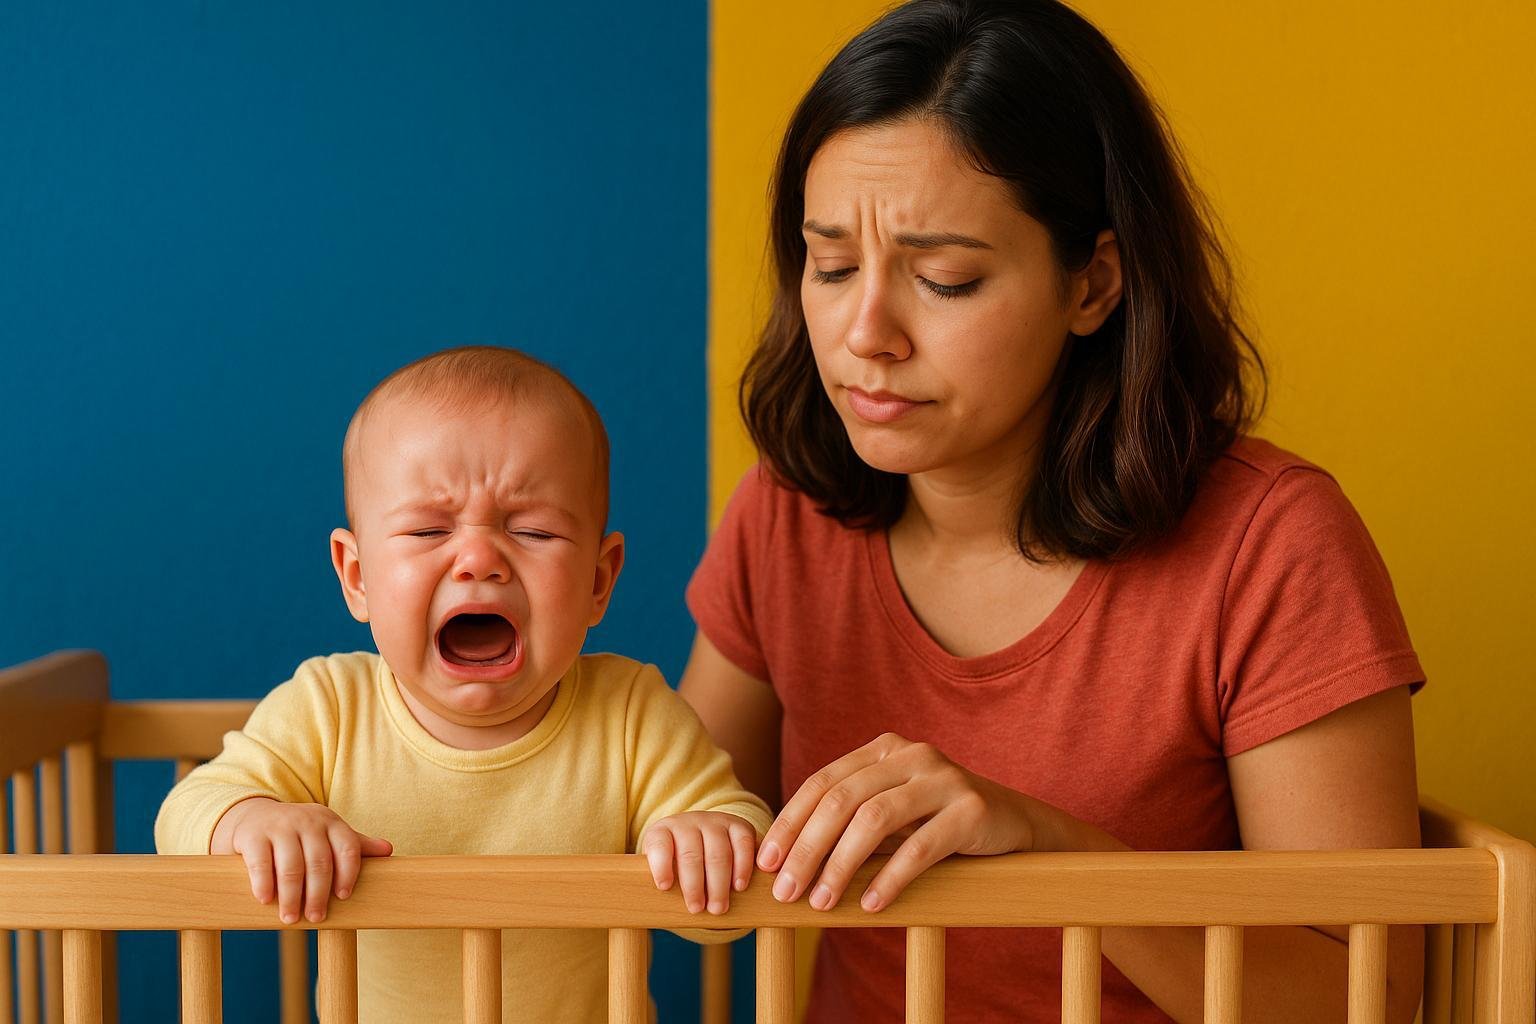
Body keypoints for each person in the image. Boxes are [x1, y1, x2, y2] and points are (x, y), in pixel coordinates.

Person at [680, 2, 1425, 1022]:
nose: (866, 333)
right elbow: (668, 820)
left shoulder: (1272, 545)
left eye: (945, 278)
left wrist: (1059, 850)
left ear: (1093, 284)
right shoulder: (786, 514)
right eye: (832, 265)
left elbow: (1368, 993)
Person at [156, 346, 770, 1024]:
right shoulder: (329, 709)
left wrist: (714, 841)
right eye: (428, 529)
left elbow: (728, 909)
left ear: (599, 580)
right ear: (357, 576)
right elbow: (186, 813)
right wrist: (254, 821)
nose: (479, 559)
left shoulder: (632, 714)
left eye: (532, 530)